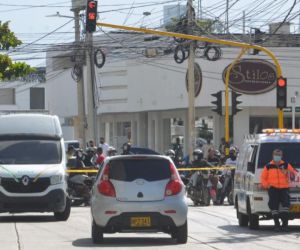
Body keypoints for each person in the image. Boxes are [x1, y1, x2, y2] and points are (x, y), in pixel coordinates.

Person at [260, 149, 298, 231]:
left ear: (281, 156)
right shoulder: (268, 166)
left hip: (284, 188)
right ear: (273, 155)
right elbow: (263, 178)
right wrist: (267, 186)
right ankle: (277, 226)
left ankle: (285, 226)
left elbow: (294, 174)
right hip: (273, 189)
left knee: (286, 206)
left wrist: (287, 173)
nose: (277, 156)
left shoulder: (286, 165)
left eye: (279, 155)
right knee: (274, 207)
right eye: (276, 155)